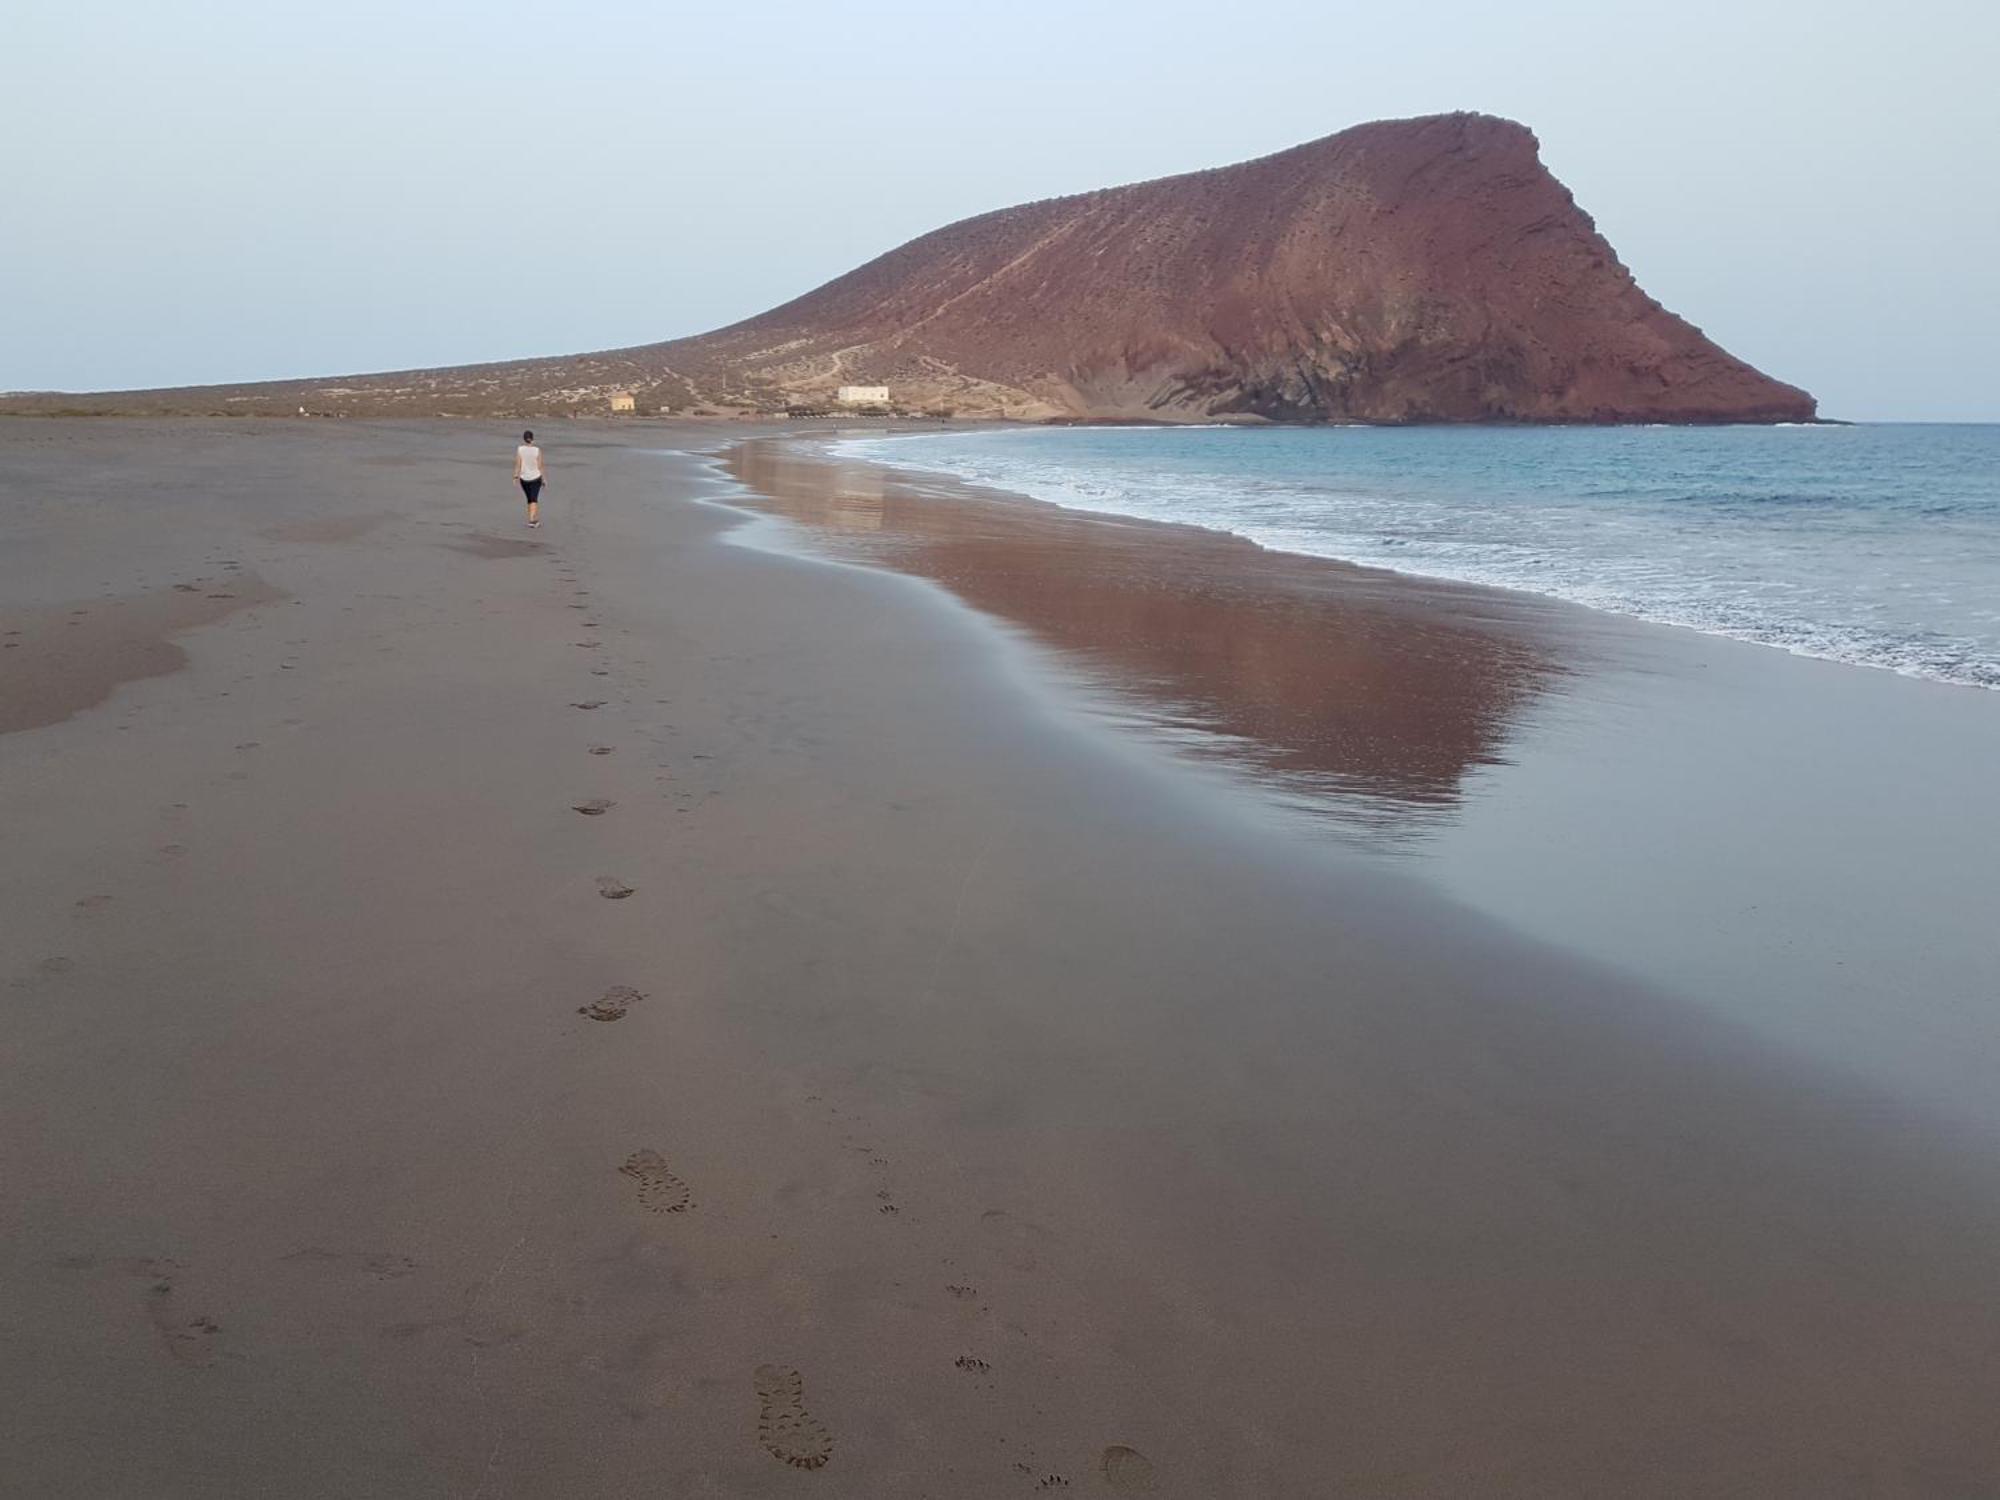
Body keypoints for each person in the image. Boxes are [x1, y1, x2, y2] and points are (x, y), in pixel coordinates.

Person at [513, 430, 546, 526]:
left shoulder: (520, 449)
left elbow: (518, 464)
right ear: (532, 439)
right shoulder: (537, 450)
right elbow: (540, 466)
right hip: (535, 477)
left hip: (524, 478)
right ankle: (532, 520)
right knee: (534, 499)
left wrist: (515, 476)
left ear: (524, 439)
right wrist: (544, 479)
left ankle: (532, 518)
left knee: (529, 499)